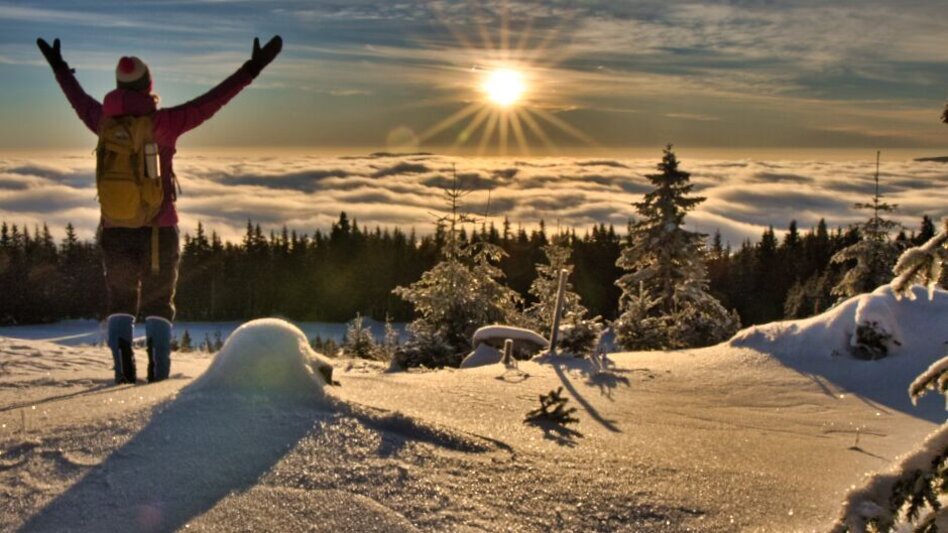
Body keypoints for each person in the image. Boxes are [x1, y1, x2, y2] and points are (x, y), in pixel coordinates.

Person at [37, 36, 283, 384]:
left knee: (120, 300)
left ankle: (123, 375)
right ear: (147, 86)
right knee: (159, 303)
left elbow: (77, 99)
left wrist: (59, 68)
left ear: (118, 86)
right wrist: (251, 69)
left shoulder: (103, 121)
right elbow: (211, 101)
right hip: (159, 229)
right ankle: (158, 380)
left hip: (115, 229)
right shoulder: (164, 123)